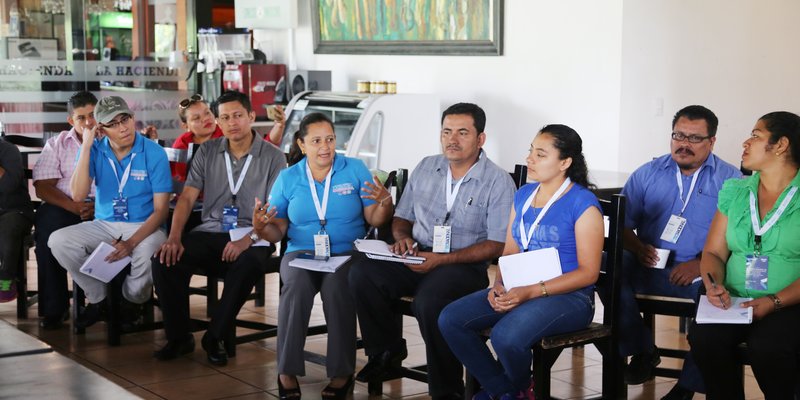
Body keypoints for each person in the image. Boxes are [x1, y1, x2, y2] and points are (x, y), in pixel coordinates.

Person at [348, 103, 516, 399]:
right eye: (447, 131)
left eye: (463, 132)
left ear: (480, 139)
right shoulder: (427, 166)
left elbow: (498, 243)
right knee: (362, 271)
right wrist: (401, 238)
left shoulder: (498, 181)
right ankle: (386, 351)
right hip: (418, 253)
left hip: (462, 265)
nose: (452, 139)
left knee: (430, 301)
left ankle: (445, 389)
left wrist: (443, 259)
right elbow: (402, 217)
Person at [439, 124, 604, 400]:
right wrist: (499, 285)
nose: (529, 159)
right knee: (450, 319)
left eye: (540, 154)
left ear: (565, 162)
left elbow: (589, 274)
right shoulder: (524, 195)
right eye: (531, 151)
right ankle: (509, 392)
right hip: (521, 287)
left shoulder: (583, 204)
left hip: (570, 297)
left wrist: (531, 291)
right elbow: (510, 251)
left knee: (506, 336)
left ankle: (508, 391)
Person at [252, 112, 394, 400]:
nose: (325, 146)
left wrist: (385, 203)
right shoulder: (288, 177)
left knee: (338, 287)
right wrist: (261, 227)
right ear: (302, 145)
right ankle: (286, 370)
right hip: (300, 252)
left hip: (346, 252)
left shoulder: (354, 169)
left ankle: (342, 372)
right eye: (316, 141)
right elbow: (277, 230)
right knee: (297, 287)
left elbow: (375, 219)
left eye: (330, 139)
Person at [152, 90, 285, 366]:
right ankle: (179, 337)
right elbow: (187, 197)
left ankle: (215, 335)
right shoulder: (208, 152)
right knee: (164, 259)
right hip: (211, 230)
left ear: (250, 116)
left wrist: (247, 239)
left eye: (238, 115)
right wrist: (174, 237)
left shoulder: (274, 157)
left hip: (255, 233)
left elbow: (273, 212)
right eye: (224, 117)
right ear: (219, 122)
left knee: (249, 263)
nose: (231, 122)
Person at [616, 105, 741, 399]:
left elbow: (739, 239)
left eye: (695, 138)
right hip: (650, 264)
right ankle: (642, 350)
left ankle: (685, 388)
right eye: (679, 135)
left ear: (712, 142)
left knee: (716, 297)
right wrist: (638, 247)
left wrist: (700, 264)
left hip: (700, 271)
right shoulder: (647, 173)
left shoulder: (731, 180)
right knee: (610, 264)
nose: (684, 144)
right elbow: (622, 225)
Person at [690, 111, 800, 400]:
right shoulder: (736, 191)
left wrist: (774, 301)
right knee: (704, 341)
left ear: (781, 145)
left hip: (789, 302)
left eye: (756, 135)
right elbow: (713, 251)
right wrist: (714, 284)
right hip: (735, 300)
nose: (745, 143)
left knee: (769, 347)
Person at [48, 95, 171, 328]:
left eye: (125, 119)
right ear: (101, 130)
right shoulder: (95, 149)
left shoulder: (154, 153)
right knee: (58, 241)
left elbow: (161, 211)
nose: (122, 128)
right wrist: (86, 145)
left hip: (145, 224)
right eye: (112, 124)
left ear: (133, 118)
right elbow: (77, 194)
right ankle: (99, 298)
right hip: (104, 224)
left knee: (148, 253)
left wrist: (131, 243)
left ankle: (129, 301)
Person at [32, 91, 97, 329]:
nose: (89, 122)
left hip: (103, 207)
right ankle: (55, 308)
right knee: (47, 229)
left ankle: (116, 303)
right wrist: (74, 207)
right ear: (71, 121)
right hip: (65, 205)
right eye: (81, 118)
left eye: (93, 115)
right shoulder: (57, 144)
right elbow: (42, 187)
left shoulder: (112, 139)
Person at [0, 137, 34, 302]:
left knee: (9, 225)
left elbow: (9, 185)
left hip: (15, 211)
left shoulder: (8, 150)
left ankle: (6, 278)